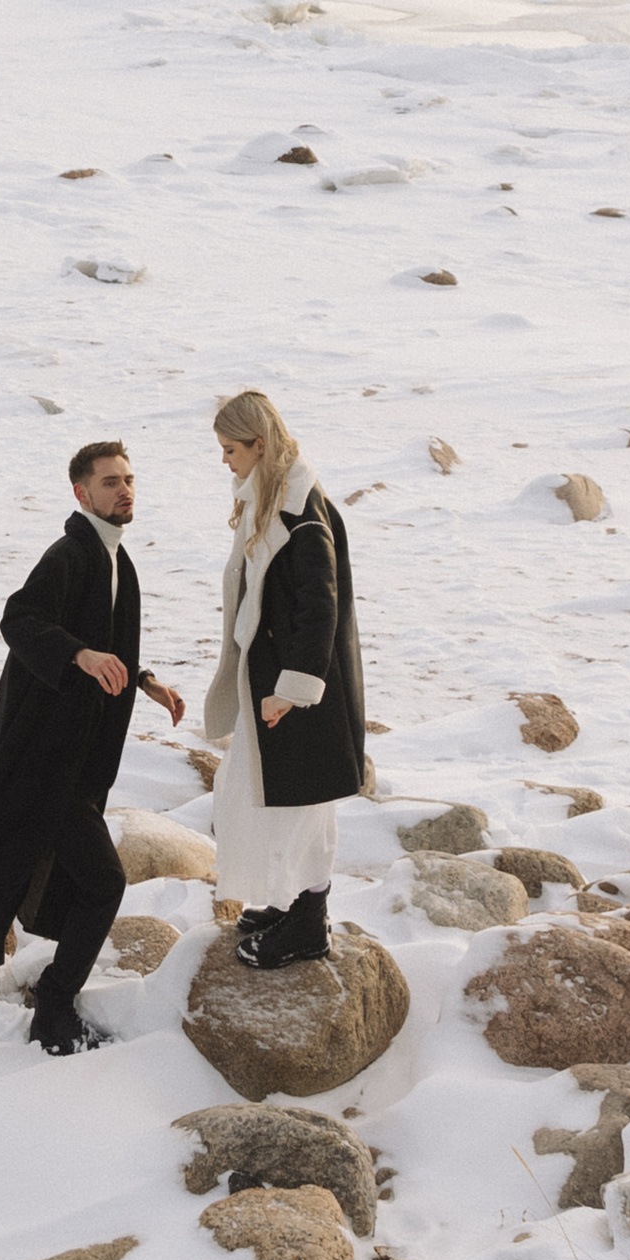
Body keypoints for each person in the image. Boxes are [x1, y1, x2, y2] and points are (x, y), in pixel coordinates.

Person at [0, 437, 184, 1054]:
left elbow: (104, 636)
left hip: (71, 756)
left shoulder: (117, 560)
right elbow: (20, 619)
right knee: (102, 883)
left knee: (19, 857)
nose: (124, 490)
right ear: (81, 492)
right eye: (111, 481)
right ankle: (56, 1007)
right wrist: (80, 656)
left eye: (129, 479)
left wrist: (144, 681)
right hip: (46, 758)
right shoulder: (70, 554)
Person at [202, 387, 363, 969]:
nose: (225, 461)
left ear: (259, 445)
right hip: (270, 682)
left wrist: (292, 691)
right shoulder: (273, 496)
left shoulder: (299, 509)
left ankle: (308, 921)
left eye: (230, 450)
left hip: (297, 692)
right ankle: (285, 902)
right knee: (263, 797)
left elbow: (319, 606)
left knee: (300, 807)